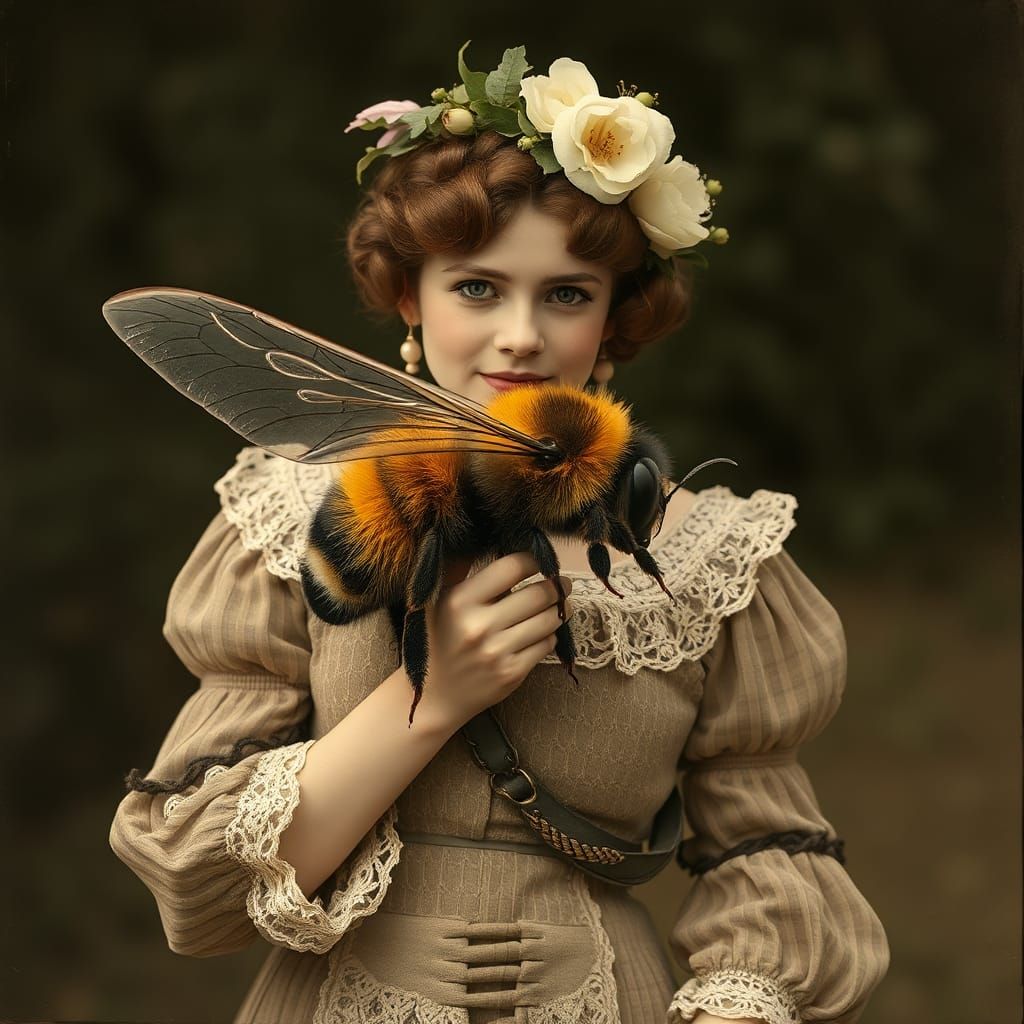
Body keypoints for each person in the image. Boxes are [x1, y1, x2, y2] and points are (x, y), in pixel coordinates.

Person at [109, 45, 890, 1024]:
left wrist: (737, 1002)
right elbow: (203, 892)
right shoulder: (288, 514)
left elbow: (766, 850)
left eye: (565, 293)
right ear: (410, 298)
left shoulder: (708, 560)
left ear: (612, 322)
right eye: (476, 288)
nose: (520, 335)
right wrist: (432, 698)